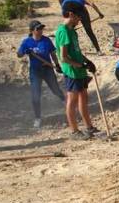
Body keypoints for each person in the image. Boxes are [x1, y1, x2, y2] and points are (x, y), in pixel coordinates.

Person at [55, 8, 98, 140]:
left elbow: (77, 52)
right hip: (72, 71)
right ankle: (74, 131)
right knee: (72, 101)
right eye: (79, 17)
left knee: (83, 98)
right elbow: (63, 57)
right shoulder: (63, 32)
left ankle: (89, 127)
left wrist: (87, 61)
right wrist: (80, 65)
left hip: (79, 70)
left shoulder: (72, 32)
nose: (80, 20)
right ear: (71, 14)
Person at [17, 20, 64, 129]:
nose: (40, 30)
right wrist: (25, 51)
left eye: (41, 28)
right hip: (35, 72)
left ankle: (66, 103)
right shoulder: (26, 42)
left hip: (47, 69)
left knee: (55, 89)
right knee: (35, 96)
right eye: (38, 29)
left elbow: (53, 53)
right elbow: (19, 55)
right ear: (32, 30)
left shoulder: (46, 40)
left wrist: (57, 65)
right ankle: (38, 118)